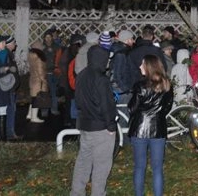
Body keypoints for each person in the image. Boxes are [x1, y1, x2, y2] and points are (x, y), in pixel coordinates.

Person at [70, 45, 118, 196]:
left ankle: (77, 192)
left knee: (83, 161)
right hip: (101, 128)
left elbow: (78, 101)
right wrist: (111, 125)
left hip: (85, 125)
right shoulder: (101, 79)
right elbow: (106, 105)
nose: (108, 62)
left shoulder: (81, 75)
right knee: (101, 165)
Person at [128, 55, 174, 196]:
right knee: (157, 169)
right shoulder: (167, 85)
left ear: (149, 66)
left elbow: (132, 108)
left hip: (139, 129)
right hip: (158, 129)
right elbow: (167, 107)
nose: (140, 66)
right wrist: (158, 114)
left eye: (142, 64)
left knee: (139, 167)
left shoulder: (140, 86)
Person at [26, 43, 47, 123]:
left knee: (33, 98)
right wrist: (43, 80)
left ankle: (30, 114)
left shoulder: (31, 55)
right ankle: (34, 117)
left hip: (32, 79)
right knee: (37, 100)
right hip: (38, 81)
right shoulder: (38, 57)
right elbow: (40, 70)